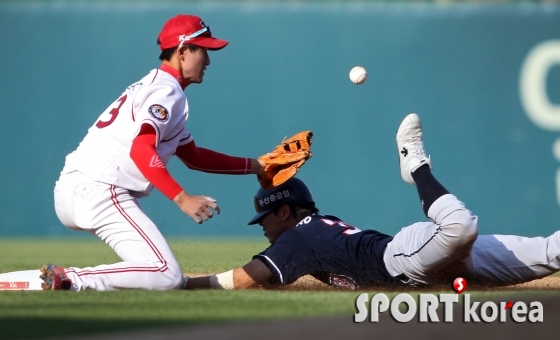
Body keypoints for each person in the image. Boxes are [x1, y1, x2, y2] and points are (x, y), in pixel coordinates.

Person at [184, 113, 560, 290]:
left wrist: (184, 284)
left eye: (265, 218)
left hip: (406, 259)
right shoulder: (309, 234)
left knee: (461, 226)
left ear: (285, 211)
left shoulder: (299, 236)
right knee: (550, 252)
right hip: (440, 274)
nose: (263, 227)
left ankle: (415, 163)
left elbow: (249, 278)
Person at [40, 14, 266, 291]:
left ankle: (51, 281)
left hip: (76, 188)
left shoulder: (156, 86)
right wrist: (182, 198)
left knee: (159, 271)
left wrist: (257, 165)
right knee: (166, 275)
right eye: (203, 50)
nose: (207, 60)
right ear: (183, 52)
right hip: (100, 190)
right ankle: (71, 279)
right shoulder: (167, 92)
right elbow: (140, 148)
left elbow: (193, 156)